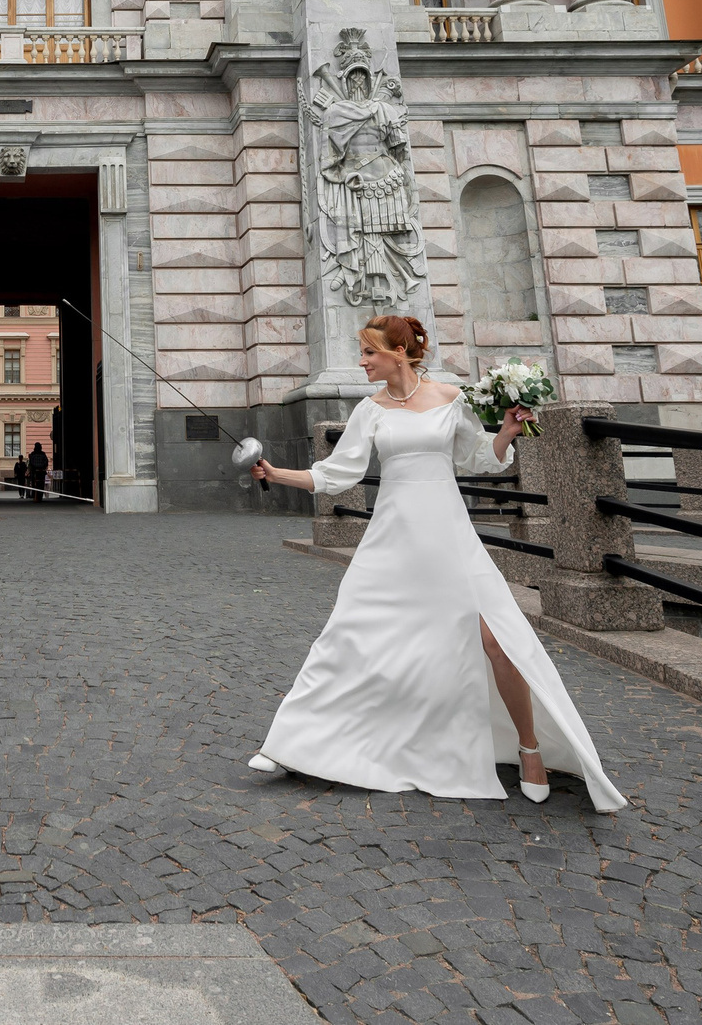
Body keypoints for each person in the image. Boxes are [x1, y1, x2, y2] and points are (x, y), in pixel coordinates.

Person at [249, 316, 626, 812]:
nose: (361, 361)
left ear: (400, 352)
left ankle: (530, 749)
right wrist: (278, 474)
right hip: (390, 541)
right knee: (346, 638)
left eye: (369, 353)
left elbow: (480, 459)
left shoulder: (453, 398)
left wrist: (508, 431)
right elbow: (335, 475)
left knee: (498, 641)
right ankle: (289, 744)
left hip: (448, 536)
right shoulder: (370, 409)